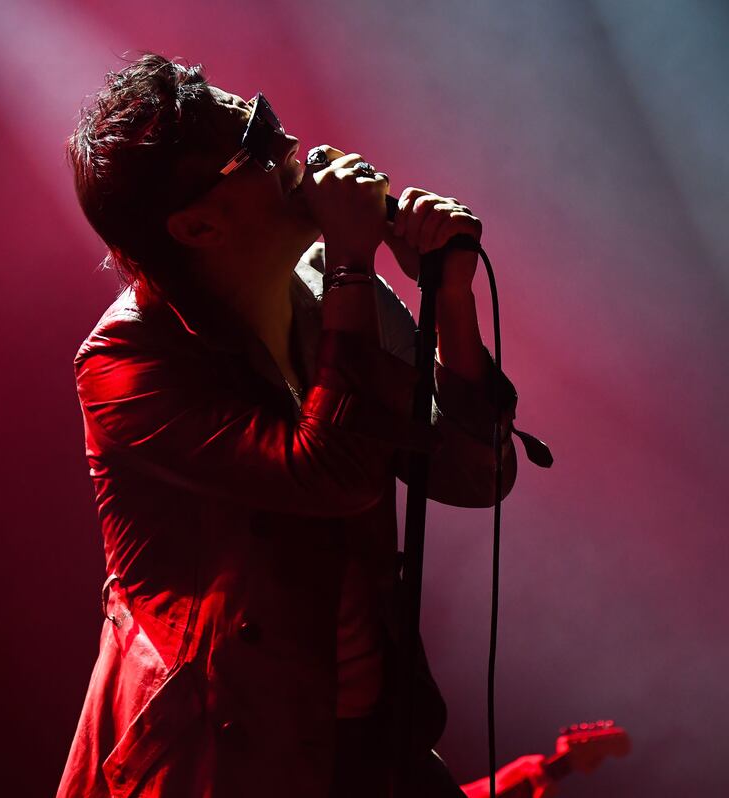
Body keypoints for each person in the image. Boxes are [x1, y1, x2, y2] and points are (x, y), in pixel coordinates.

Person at [58, 53, 552, 798]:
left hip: (365, 740)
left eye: (272, 120)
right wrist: (355, 260)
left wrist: (449, 303)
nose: (295, 151)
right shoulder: (127, 361)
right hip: (222, 757)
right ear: (197, 225)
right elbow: (329, 475)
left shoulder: (327, 285)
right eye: (256, 144)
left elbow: (474, 475)